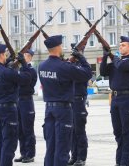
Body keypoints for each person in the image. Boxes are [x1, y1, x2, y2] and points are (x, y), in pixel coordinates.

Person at [38, 35, 92, 166]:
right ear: (58, 47)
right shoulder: (63, 67)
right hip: (63, 110)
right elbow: (87, 74)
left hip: (49, 108)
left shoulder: (41, 66)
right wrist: (81, 57)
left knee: (50, 147)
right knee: (62, 148)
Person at [0, 44, 32, 166]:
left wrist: (9, 66)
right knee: (9, 143)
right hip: (7, 110)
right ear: (1, 55)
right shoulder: (7, 72)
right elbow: (27, 79)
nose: (6, 55)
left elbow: (3, 74)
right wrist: (24, 64)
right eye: (5, 54)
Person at [100, 36, 129, 166]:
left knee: (126, 132)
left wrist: (113, 56)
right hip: (115, 99)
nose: (120, 47)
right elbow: (103, 71)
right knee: (117, 132)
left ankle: (125, 162)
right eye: (120, 45)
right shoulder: (116, 62)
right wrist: (105, 55)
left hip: (126, 99)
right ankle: (119, 161)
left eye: (123, 45)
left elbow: (121, 66)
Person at [68, 43, 90, 166]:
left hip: (79, 100)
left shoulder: (83, 65)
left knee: (80, 130)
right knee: (71, 131)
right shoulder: (71, 64)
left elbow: (86, 73)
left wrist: (80, 57)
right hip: (70, 100)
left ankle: (81, 157)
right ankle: (74, 155)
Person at [14, 49, 37, 163]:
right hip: (18, 101)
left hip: (26, 101)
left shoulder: (31, 70)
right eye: (23, 55)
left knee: (27, 129)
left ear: (31, 57)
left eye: (27, 55)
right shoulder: (20, 69)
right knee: (20, 130)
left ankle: (30, 154)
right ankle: (23, 153)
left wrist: (22, 65)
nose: (24, 57)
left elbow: (25, 82)